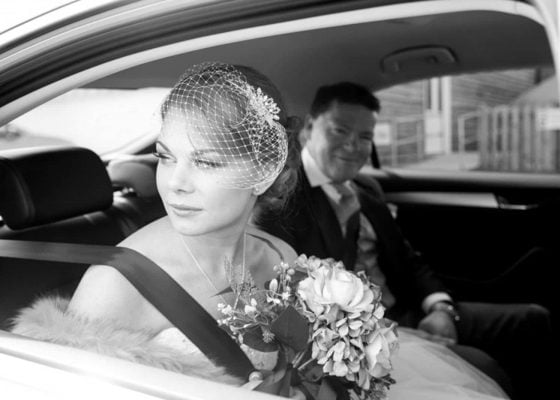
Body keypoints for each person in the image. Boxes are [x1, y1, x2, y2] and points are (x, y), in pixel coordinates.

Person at [12, 64, 508, 399]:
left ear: (264, 172)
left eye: (204, 161)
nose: (175, 182)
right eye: (166, 157)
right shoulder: (117, 284)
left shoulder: (277, 253)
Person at [256, 82, 554, 400]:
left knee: (533, 319)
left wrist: (440, 307)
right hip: (353, 335)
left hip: (409, 312)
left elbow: (408, 260)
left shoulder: (367, 190)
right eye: (340, 131)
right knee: (484, 370)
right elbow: (288, 292)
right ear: (310, 128)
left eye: (365, 137)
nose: (353, 146)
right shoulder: (283, 198)